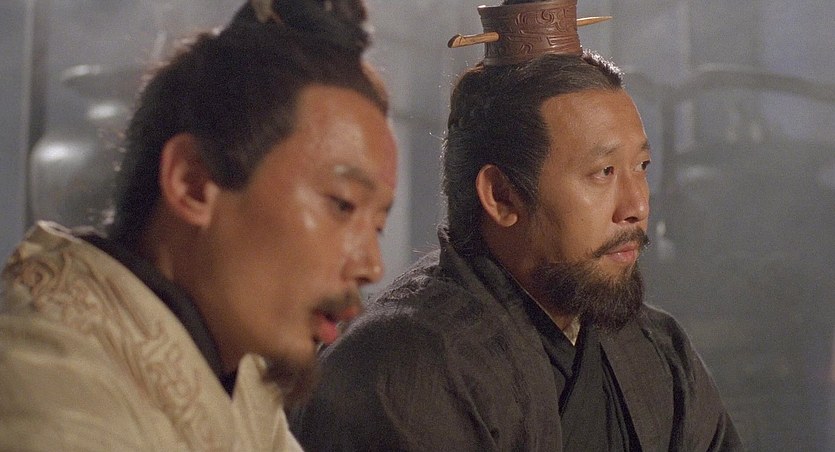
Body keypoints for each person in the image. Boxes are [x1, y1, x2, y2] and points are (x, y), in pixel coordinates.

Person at [290, 0, 741, 450]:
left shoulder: (658, 351)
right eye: (603, 172)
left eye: (641, 167)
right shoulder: (399, 372)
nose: (637, 205)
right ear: (502, 196)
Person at [0, 0, 396, 449]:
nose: (372, 266)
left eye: (378, 226)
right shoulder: (54, 396)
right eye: (343, 205)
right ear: (193, 182)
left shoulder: (241, 377)